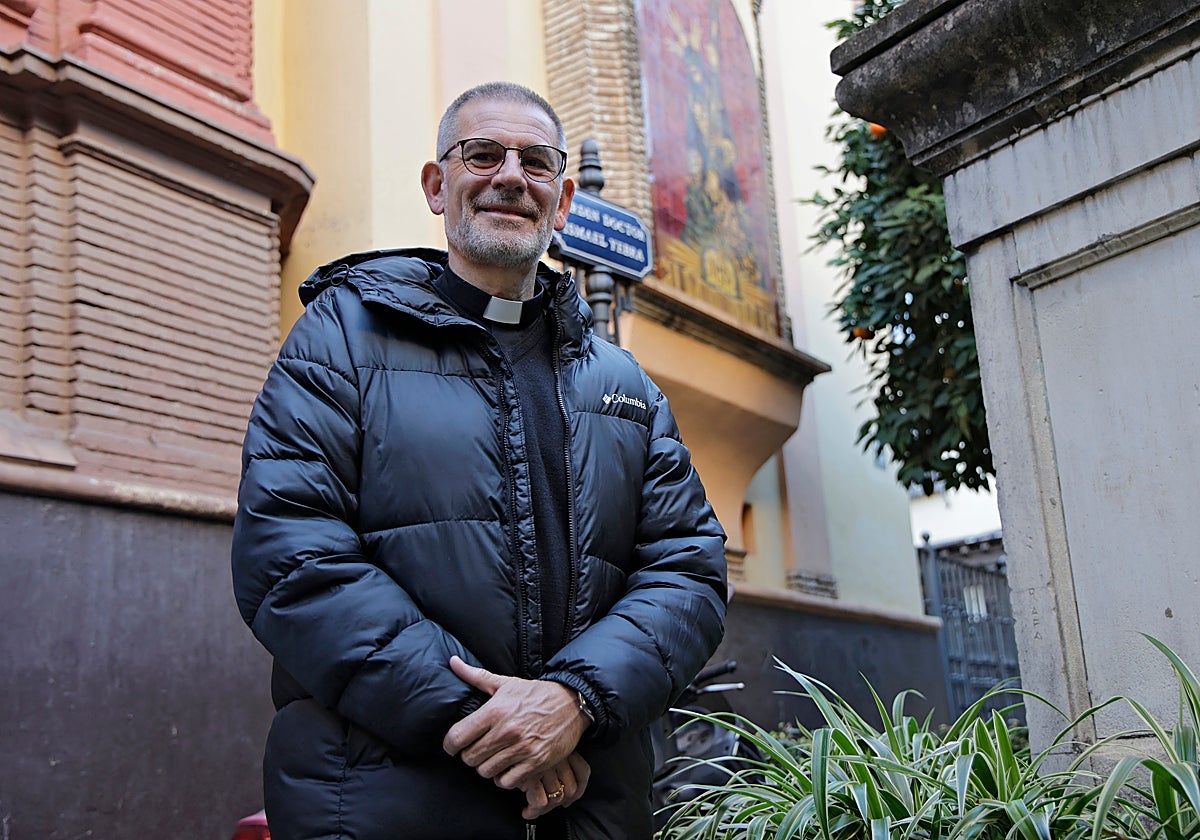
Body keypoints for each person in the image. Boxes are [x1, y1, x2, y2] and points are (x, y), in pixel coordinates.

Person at [231, 81, 727, 840]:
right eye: (483, 153)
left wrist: (575, 702)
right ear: (438, 186)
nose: (509, 176)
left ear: (560, 203)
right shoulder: (340, 338)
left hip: (590, 810)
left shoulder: (624, 385)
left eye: (536, 163)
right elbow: (292, 555)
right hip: (378, 806)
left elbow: (689, 568)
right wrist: (497, 725)